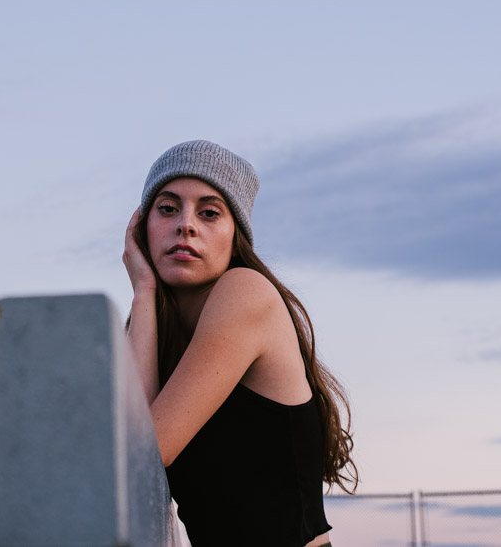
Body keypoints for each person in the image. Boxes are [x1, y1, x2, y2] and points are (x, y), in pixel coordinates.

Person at [124, 140, 357, 547]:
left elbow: (145, 452)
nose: (186, 224)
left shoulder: (244, 292)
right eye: (168, 208)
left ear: (237, 236)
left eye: (209, 213)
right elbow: (130, 452)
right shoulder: (150, 330)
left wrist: (145, 293)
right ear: (143, 228)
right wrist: (143, 292)